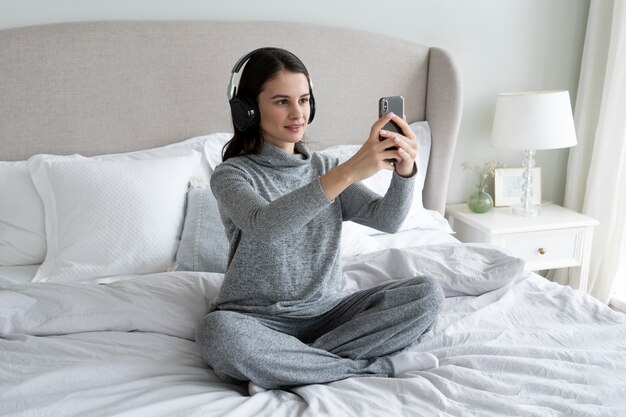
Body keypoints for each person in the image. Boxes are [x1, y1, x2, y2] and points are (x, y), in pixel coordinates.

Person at [195, 47, 444, 395]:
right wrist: (349, 171)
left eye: (304, 100)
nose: (297, 113)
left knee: (427, 293)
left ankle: (290, 367)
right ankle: (373, 367)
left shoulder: (325, 168)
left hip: (328, 313)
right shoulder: (232, 175)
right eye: (281, 101)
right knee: (217, 334)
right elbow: (266, 225)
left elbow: (387, 220)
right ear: (248, 110)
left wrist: (405, 172)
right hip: (255, 319)